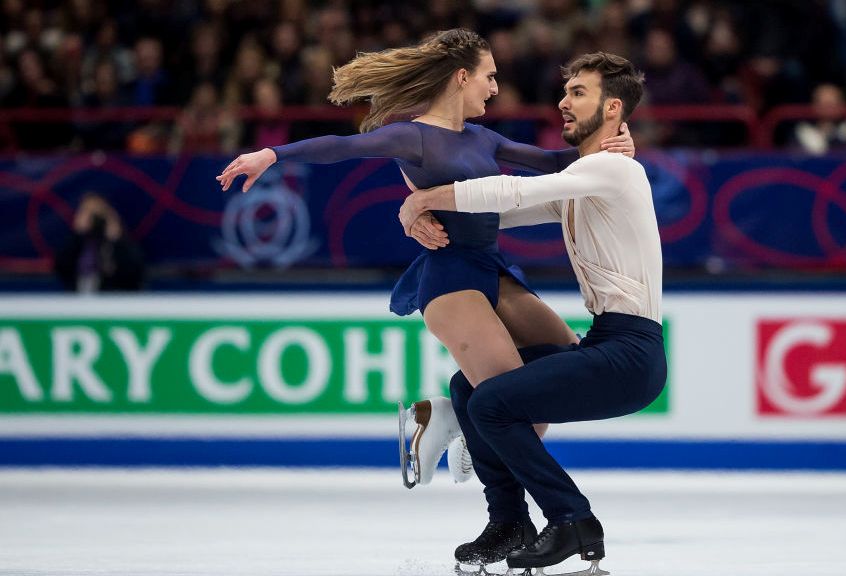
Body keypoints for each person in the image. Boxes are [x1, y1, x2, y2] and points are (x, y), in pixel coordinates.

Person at [215, 29, 635, 486]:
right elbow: (343, 146)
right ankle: (469, 444)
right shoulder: (413, 138)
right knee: (512, 397)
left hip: (493, 270)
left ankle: (442, 416)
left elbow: (557, 163)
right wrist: (272, 154)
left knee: (562, 363)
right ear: (461, 77)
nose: (495, 88)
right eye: (488, 77)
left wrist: (613, 143)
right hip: (451, 277)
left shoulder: (481, 138)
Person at [399, 51, 664, 575]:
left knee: (494, 404)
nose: (563, 102)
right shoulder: (588, 179)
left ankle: (572, 519)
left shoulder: (613, 169)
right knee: (469, 390)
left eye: (579, 93)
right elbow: (503, 214)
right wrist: (424, 216)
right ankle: (509, 523)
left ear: (613, 109)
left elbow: (516, 188)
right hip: (608, 344)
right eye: (565, 91)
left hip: (631, 354)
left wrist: (426, 197)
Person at [53, 192, 145, 293]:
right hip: (78, 300)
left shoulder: (119, 243)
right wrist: (77, 234)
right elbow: (61, 268)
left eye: (98, 212)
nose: (94, 219)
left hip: (114, 301)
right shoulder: (77, 242)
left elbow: (134, 273)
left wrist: (117, 241)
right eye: (88, 212)